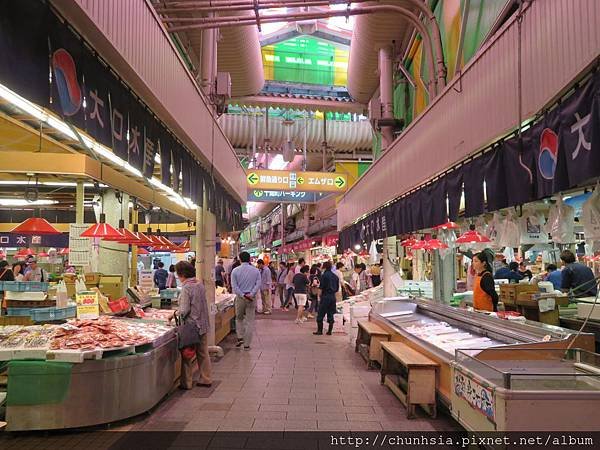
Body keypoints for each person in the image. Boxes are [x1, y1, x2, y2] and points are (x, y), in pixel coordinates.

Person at [175, 261, 212, 390]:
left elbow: (184, 310)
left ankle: (187, 383)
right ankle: (206, 378)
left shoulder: (186, 288)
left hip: (191, 326)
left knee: (187, 354)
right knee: (203, 352)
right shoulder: (199, 284)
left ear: (182, 274)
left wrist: (174, 314)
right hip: (203, 324)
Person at [231, 252, 262, 350]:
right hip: (251, 298)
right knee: (250, 321)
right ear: (249, 259)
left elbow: (234, 286)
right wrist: (251, 294)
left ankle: (240, 337)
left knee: (239, 318)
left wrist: (242, 294)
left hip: (240, 298)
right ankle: (247, 344)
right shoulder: (256, 271)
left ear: (240, 259)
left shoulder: (235, 271)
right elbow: (258, 284)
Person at [314, 261, 339, 336]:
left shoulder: (324, 275)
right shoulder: (335, 276)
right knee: (331, 314)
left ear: (324, 267)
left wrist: (318, 297)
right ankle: (329, 331)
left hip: (325, 297)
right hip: (332, 297)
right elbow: (337, 289)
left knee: (320, 314)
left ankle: (319, 331)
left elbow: (321, 288)